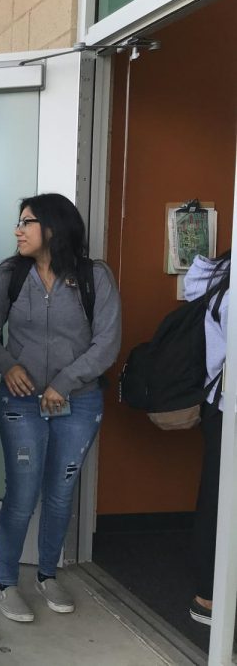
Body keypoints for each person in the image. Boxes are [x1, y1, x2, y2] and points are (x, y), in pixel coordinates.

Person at [0, 193, 121, 623]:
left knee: (60, 493)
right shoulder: (10, 275)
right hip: (21, 400)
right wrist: (7, 365)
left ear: (53, 229)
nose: (17, 231)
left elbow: (107, 342)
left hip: (78, 403)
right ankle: (6, 581)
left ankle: (46, 574)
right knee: (22, 493)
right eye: (18, 223)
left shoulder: (95, 277)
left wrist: (64, 383)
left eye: (27, 223)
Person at [184, 251, 230, 625]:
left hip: (220, 404)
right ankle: (209, 596)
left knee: (216, 496)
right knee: (218, 499)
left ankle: (209, 594)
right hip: (227, 406)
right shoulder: (226, 280)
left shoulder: (218, 274)